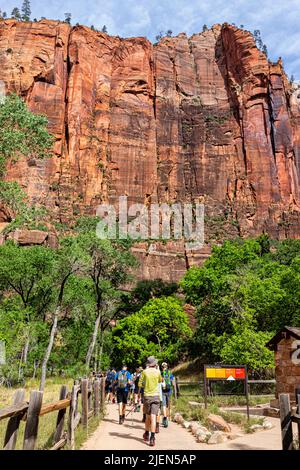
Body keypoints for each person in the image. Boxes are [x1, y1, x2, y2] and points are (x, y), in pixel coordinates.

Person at [138, 356, 162, 447]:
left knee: (148, 417)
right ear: (154, 364)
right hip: (156, 396)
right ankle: (152, 438)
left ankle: (147, 433)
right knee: (153, 417)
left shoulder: (144, 372)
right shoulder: (158, 372)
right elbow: (160, 380)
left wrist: (146, 384)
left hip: (147, 396)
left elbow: (140, 384)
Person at [161, 362, 175, 428]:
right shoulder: (170, 373)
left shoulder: (161, 373)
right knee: (168, 404)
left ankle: (165, 418)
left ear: (162, 367)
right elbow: (172, 382)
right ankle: (169, 417)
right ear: (167, 366)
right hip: (169, 390)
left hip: (163, 390)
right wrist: (174, 389)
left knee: (163, 405)